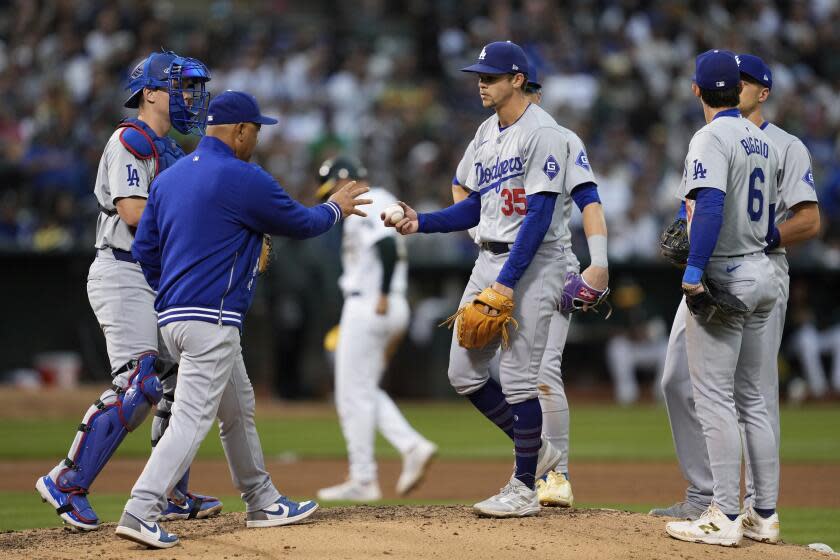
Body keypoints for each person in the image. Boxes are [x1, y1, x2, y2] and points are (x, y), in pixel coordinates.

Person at [114, 91, 371, 549]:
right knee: (191, 419)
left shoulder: (170, 179)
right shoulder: (242, 176)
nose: (256, 137)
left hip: (174, 316)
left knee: (237, 407)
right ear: (239, 131)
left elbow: (144, 251)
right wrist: (336, 207)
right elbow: (300, 222)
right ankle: (141, 507)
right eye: (255, 129)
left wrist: (172, 291)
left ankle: (261, 499)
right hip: (209, 315)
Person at [384, 41, 608, 518]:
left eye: (490, 76)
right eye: (479, 75)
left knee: (522, 379)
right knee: (462, 372)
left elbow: (540, 214)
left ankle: (525, 486)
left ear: (517, 80)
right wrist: (420, 221)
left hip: (535, 262)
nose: (481, 82)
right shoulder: (485, 133)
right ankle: (541, 452)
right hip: (487, 258)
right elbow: (475, 205)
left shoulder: (544, 133)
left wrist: (506, 282)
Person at [35, 50, 221, 531]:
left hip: (155, 277)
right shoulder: (132, 139)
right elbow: (135, 212)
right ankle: (67, 480)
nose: (190, 98)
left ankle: (170, 492)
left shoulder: (172, 151)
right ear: (151, 93)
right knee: (138, 383)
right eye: (181, 87)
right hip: (123, 272)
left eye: (192, 89)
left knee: (183, 383)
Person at [653, 54, 821, 544]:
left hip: (726, 273)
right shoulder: (759, 141)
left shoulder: (711, 137)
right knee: (750, 398)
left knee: (715, 396)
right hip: (760, 271)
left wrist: (693, 270)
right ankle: (762, 514)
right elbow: (766, 224)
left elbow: (709, 205)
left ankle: (723, 514)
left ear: (696, 90)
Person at [448, 67, 610, 508]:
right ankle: (543, 459)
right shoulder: (492, 135)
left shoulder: (557, 136)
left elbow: (589, 202)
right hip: (500, 258)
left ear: (527, 88)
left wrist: (600, 264)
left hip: (551, 266)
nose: (534, 100)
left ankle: (554, 476)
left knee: (539, 374)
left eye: (536, 92)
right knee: (481, 372)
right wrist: (481, 229)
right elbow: (463, 185)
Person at [314, 156, 438, 502]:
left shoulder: (368, 200)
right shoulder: (381, 199)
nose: (331, 196)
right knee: (362, 388)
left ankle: (364, 477)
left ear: (346, 180)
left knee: (350, 392)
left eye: (332, 188)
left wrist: (381, 294)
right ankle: (411, 446)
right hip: (384, 301)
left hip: (371, 301)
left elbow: (383, 247)